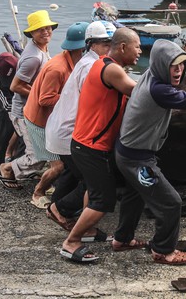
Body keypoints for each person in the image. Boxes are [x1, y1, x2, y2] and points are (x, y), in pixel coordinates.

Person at [114, 40, 186, 265]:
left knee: (134, 196)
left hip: (126, 152)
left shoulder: (152, 74)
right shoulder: (159, 90)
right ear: (161, 65)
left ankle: (122, 239)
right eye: (173, 66)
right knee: (171, 202)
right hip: (137, 160)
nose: (178, 72)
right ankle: (162, 250)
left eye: (182, 65)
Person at [60, 28, 142, 264]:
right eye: (137, 46)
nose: (140, 51)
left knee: (94, 191)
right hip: (91, 146)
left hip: (85, 143)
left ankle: (87, 232)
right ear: (123, 47)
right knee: (103, 200)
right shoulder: (111, 69)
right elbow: (137, 92)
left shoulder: (102, 63)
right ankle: (71, 242)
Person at [45, 21, 115, 232]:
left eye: (111, 43)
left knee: (74, 173)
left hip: (64, 129)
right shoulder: (91, 66)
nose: (109, 48)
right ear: (92, 45)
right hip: (69, 132)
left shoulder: (91, 62)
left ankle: (61, 208)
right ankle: (60, 209)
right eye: (105, 44)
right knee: (93, 181)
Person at [20, 22, 89, 209]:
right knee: (58, 166)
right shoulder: (57, 68)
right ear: (83, 48)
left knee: (67, 164)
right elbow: (45, 99)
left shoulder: (76, 64)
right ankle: (38, 192)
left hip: (54, 120)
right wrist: (74, 98)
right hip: (39, 120)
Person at [0, 10, 57, 188]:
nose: (46, 32)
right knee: (38, 156)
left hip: (33, 111)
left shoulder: (42, 48)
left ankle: (15, 166)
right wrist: (41, 96)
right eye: (40, 30)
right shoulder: (33, 57)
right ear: (32, 33)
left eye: (48, 28)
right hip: (24, 112)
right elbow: (15, 86)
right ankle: (8, 168)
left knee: (44, 152)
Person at [0, 52, 18, 174]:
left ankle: (16, 166)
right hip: (2, 112)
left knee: (22, 140)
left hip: (19, 109)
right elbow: (6, 104)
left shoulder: (22, 69)